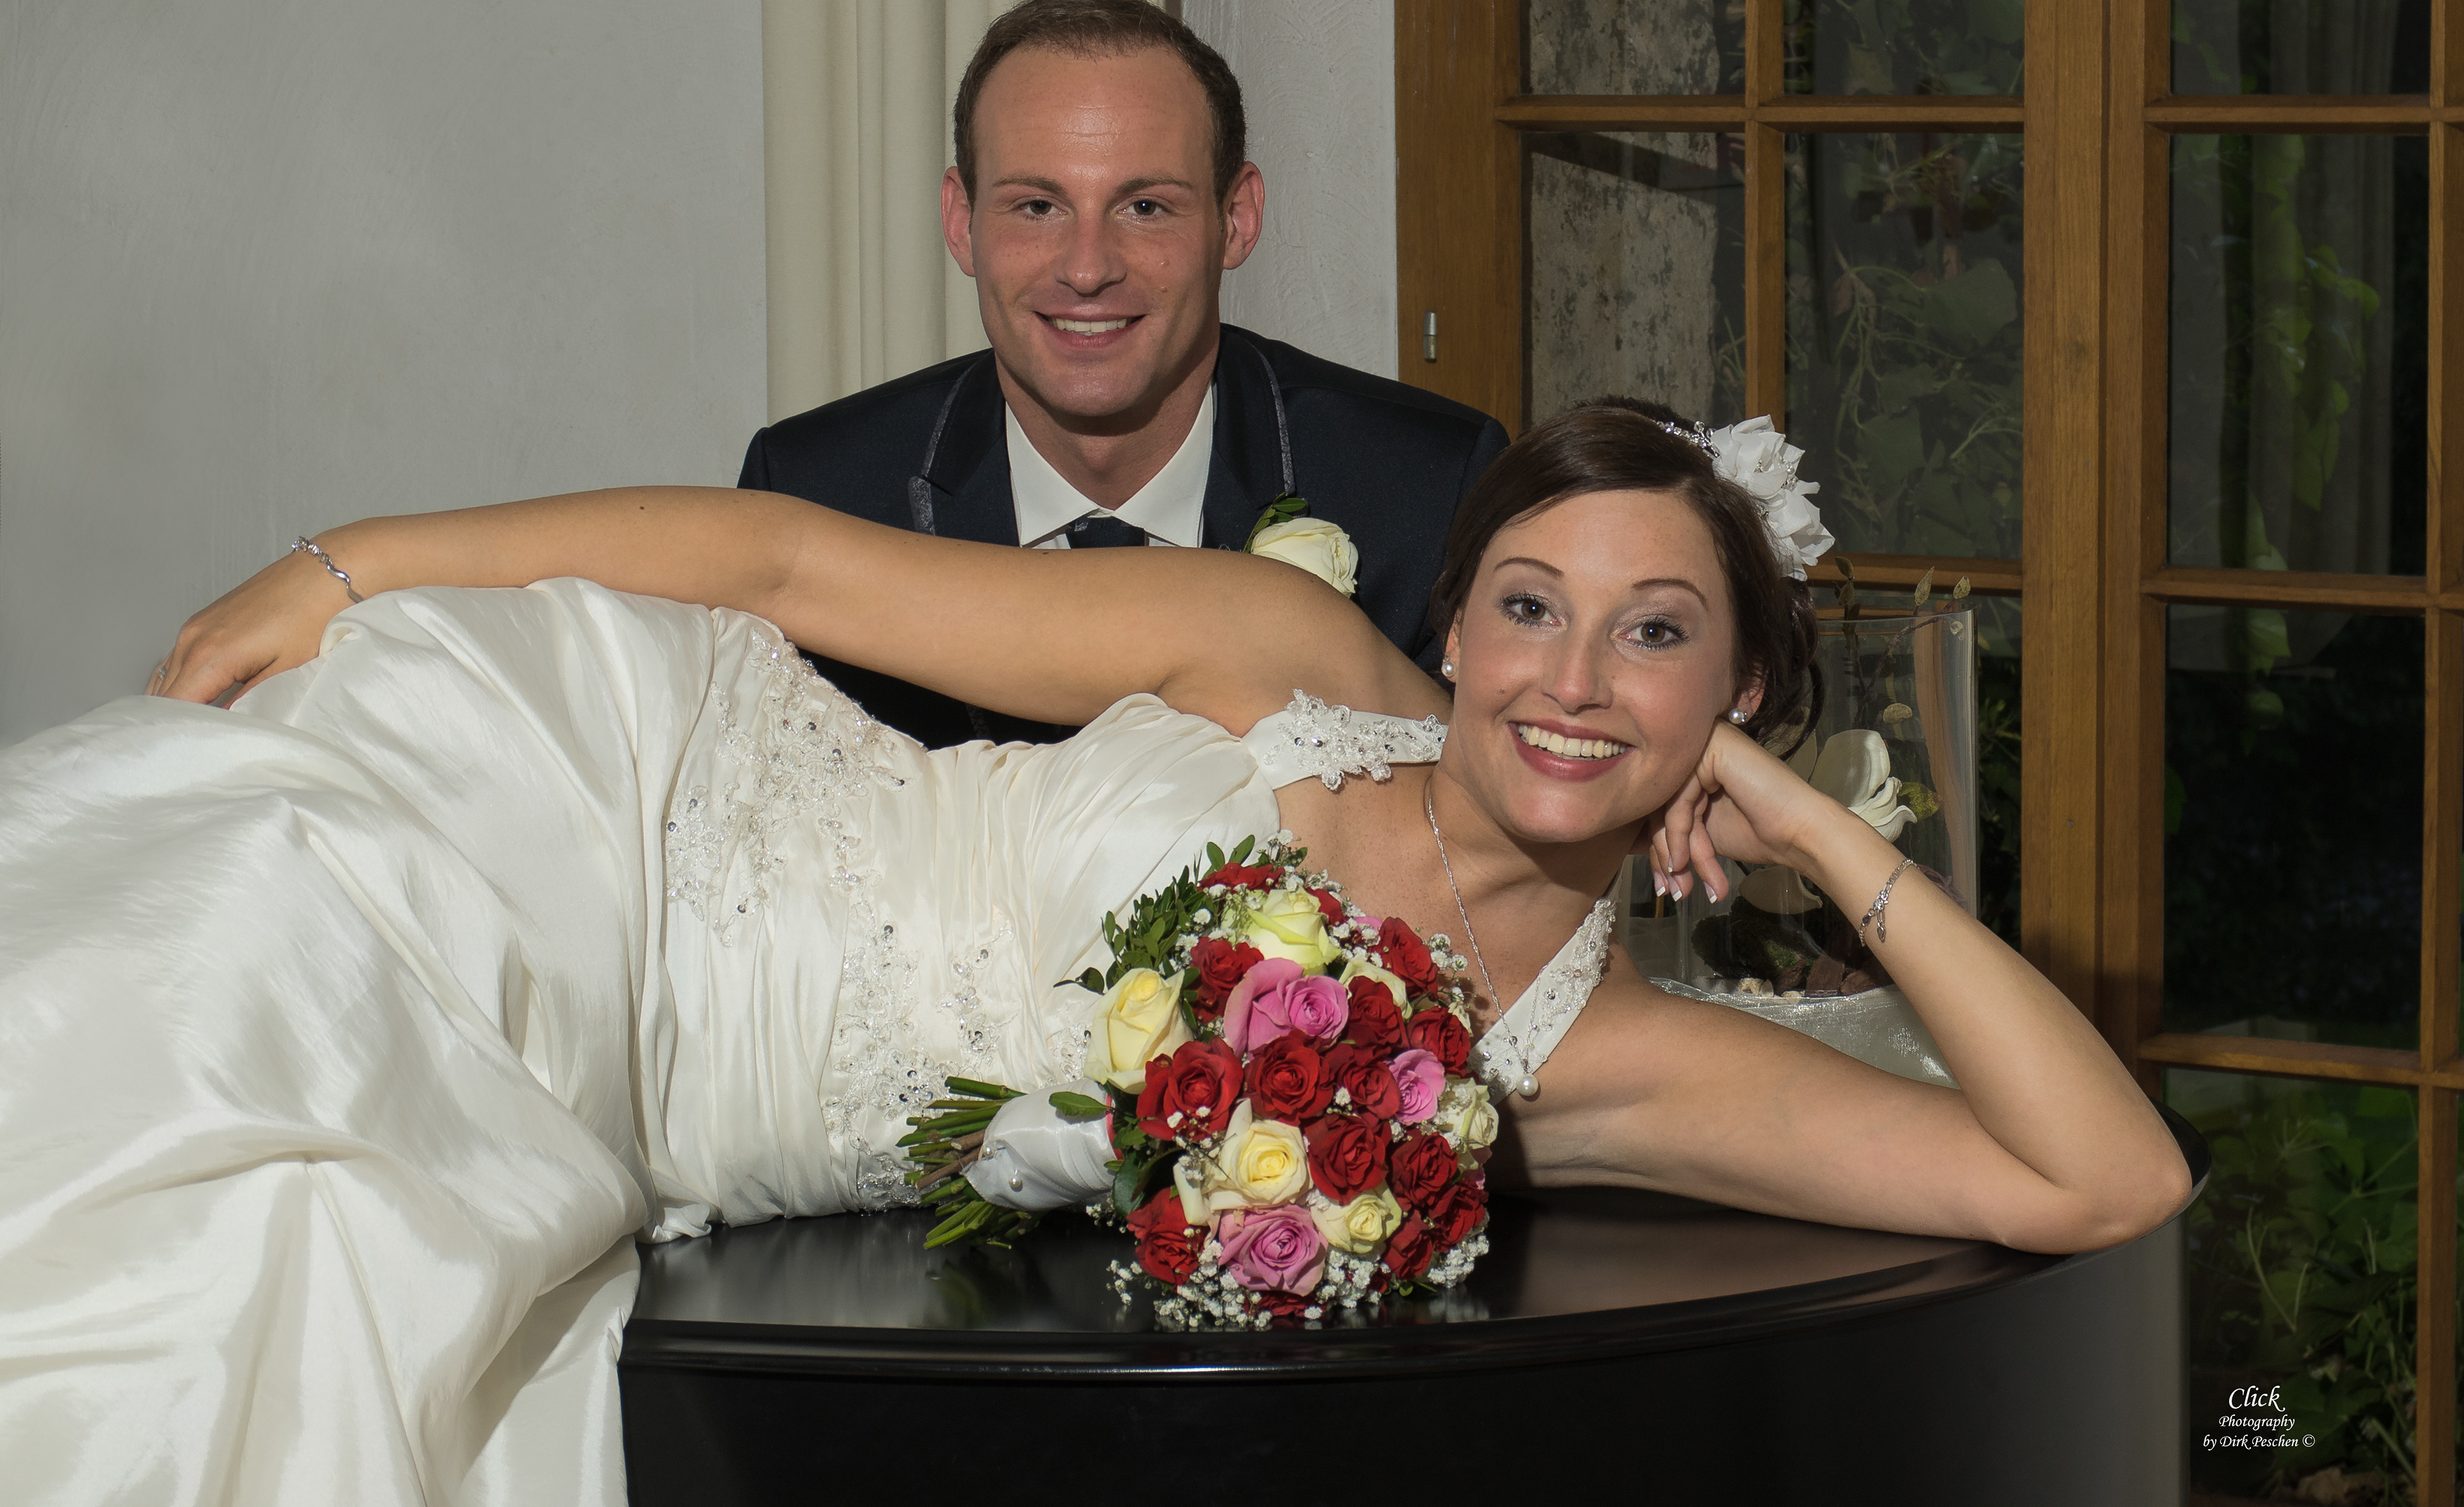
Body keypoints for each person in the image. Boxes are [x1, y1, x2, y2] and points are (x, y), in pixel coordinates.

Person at [4, 410, 2188, 1506]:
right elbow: (788, 564)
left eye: (1658, 634)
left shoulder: (1595, 1058)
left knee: (274, 1243)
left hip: (675, 1095)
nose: (1572, 678)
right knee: (223, 928)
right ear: (1452, 626)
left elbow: (2103, 1179)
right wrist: (348, 566)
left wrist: (1818, 831)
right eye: (1530, 606)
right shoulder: (1270, 651)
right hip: (637, 806)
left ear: (1739, 690)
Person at [738, 0, 1509, 746]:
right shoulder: (815, 491)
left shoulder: (1432, 492)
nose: (1087, 269)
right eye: (1037, 206)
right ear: (962, 221)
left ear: (1236, 220)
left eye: (1144, 208)